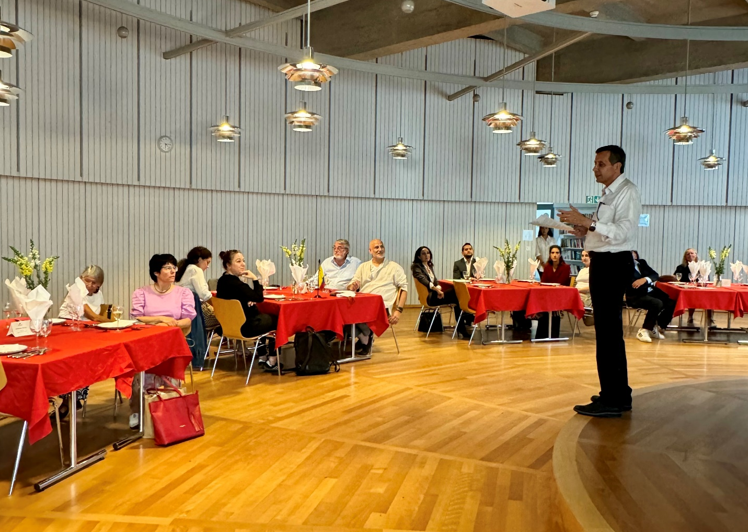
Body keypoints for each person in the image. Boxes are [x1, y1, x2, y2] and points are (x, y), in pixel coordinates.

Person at [559, 145, 641, 418]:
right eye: (595, 163)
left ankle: (614, 398)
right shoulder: (609, 193)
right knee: (606, 332)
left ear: (617, 166)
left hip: (613, 263)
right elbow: (605, 231)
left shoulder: (627, 191)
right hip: (604, 262)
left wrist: (590, 223)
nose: (595, 168)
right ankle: (615, 393)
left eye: (601, 163)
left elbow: (624, 232)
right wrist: (585, 227)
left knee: (608, 333)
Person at [130, 254, 196, 429]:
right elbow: (137, 318)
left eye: (174, 267)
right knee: (138, 366)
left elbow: (188, 320)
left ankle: (169, 405)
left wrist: (171, 323)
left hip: (172, 341)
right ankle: (138, 409)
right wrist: (160, 319)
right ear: (156, 272)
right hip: (146, 341)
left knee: (167, 362)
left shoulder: (184, 292)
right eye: (167, 267)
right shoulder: (141, 292)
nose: (173, 270)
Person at [216, 249, 279, 370]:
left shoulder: (222, 281)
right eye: (238, 261)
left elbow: (241, 297)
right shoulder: (237, 284)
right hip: (244, 327)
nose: (243, 264)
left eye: (243, 261)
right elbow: (259, 298)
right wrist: (255, 279)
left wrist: (247, 299)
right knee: (276, 318)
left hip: (227, 326)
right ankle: (272, 359)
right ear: (228, 265)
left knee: (262, 316)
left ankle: (262, 355)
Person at [347, 239, 408, 354]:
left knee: (353, 313)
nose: (380, 249)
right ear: (370, 251)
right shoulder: (363, 266)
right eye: (376, 247)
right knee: (342, 311)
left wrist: (398, 311)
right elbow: (353, 283)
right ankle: (365, 337)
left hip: (381, 306)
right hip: (363, 302)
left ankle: (364, 338)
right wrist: (352, 286)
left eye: (381, 247)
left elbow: (404, 289)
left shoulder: (394, 267)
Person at [411, 246, 472, 338]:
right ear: (419, 256)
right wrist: (437, 290)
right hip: (430, 298)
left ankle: (464, 323)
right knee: (456, 293)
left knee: (457, 297)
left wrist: (438, 289)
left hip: (435, 294)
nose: (426, 255)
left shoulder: (429, 266)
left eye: (428, 253)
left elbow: (436, 282)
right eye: (423, 253)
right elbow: (425, 281)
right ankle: (467, 319)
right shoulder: (416, 267)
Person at [176, 246, 213, 369]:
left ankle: (187, 359)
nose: (207, 266)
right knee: (196, 330)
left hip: (180, 301)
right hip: (192, 301)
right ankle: (197, 360)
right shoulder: (195, 270)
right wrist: (217, 306)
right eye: (207, 262)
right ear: (199, 259)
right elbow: (204, 293)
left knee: (187, 332)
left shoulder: (185, 268)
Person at [628, 251, 676, 343]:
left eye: (633, 254)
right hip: (636, 295)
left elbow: (655, 275)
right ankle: (643, 330)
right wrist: (646, 281)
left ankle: (655, 326)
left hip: (650, 291)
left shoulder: (642, 263)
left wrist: (645, 279)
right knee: (657, 303)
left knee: (671, 301)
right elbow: (633, 284)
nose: (632, 256)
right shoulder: (623, 267)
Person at [535, 245, 571, 339]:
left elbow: (562, 283)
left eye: (557, 253)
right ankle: (541, 335)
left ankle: (553, 334)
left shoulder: (566, 267)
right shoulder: (547, 267)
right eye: (552, 253)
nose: (554, 255)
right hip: (548, 294)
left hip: (560, 295)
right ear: (550, 255)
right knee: (541, 301)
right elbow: (543, 282)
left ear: (560, 255)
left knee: (548, 303)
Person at [673, 248, 709, 326]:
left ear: (696, 255)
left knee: (710, 297)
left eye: (692, 253)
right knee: (692, 296)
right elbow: (675, 278)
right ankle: (690, 316)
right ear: (685, 257)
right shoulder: (681, 267)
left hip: (700, 290)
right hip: (685, 291)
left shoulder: (701, 267)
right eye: (688, 254)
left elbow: (706, 278)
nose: (690, 255)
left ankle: (710, 319)